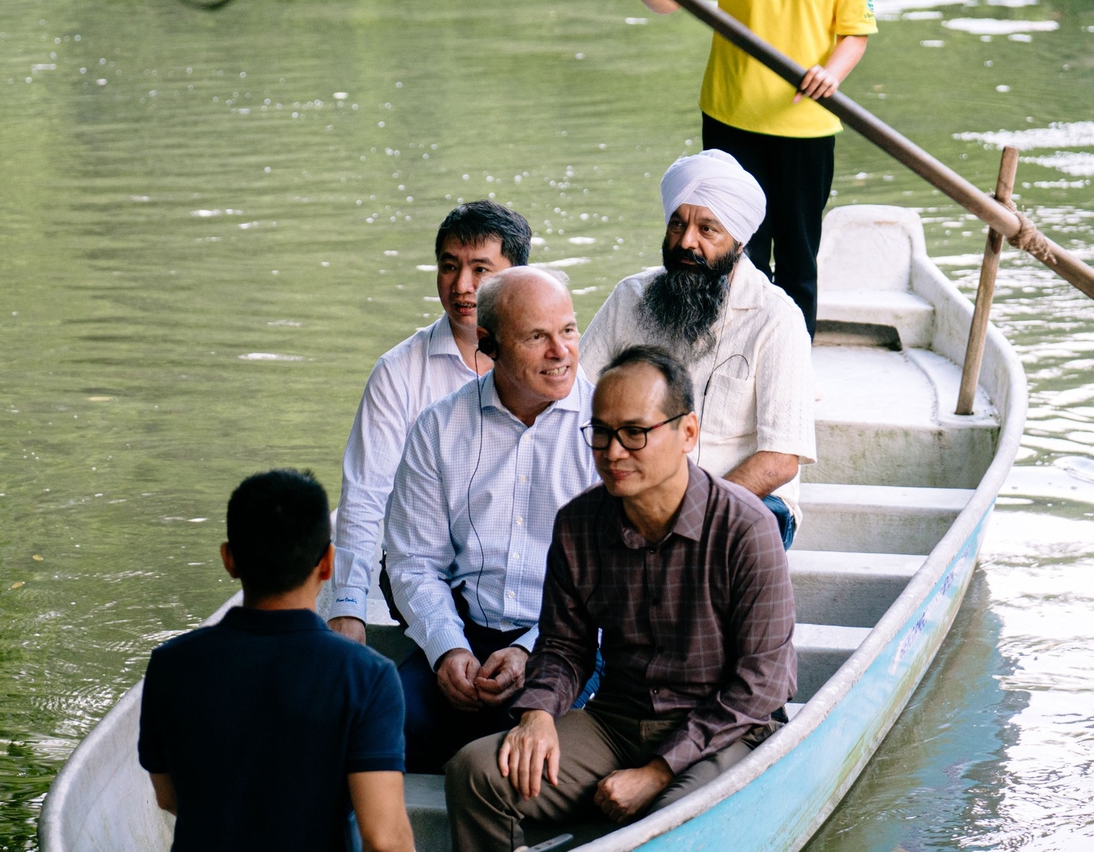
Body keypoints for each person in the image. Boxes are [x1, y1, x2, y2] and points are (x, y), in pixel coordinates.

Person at [443, 345, 796, 852]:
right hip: (617, 720)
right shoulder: (578, 523)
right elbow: (565, 647)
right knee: (475, 772)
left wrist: (656, 772)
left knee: (671, 822)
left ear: (687, 433)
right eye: (601, 434)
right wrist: (538, 713)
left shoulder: (746, 527)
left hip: (724, 729)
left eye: (635, 433)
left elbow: (763, 685)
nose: (613, 452)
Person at [625, 0, 878, 334]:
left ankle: (794, 367)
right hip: (731, 115)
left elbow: (855, 32)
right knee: (733, 255)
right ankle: (727, 359)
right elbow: (667, 0)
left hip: (805, 124)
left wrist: (831, 73)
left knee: (797, 258)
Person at [383, 267, 600, 774]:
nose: (561, 351)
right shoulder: (438, 427)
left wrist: (529, 651)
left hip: (572, 641)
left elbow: (617, 581)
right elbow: (414, 562)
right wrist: (447, 650)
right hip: (468, 631)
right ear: (489, 344)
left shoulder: (605, 427)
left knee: (526, 759)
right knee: (367, 725)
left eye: (568, 330)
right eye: (537, 337)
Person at [138, 469, 414, 852]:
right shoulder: (367, 676)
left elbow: (168, 797)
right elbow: (385, 840)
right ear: (328, 564)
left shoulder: (170, 665)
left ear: (229, 560)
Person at [578, 151, 815, 547]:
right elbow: (574, 399)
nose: (686, 242)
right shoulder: (630, 298)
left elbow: (779, 461)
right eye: (677, 224)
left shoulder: (777, 318)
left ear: (739, 242)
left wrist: (686, 509)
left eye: (707, 229)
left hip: (746, 500)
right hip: (636, 489)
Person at [330, 201, 533, 644]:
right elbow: (366, 493)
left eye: (481, 269)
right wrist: (347, 606)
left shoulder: (546, 366)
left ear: (516, 277)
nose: (462, 286)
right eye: (449, 266)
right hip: (422, 569)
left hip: (526, 578)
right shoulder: (399, 371)